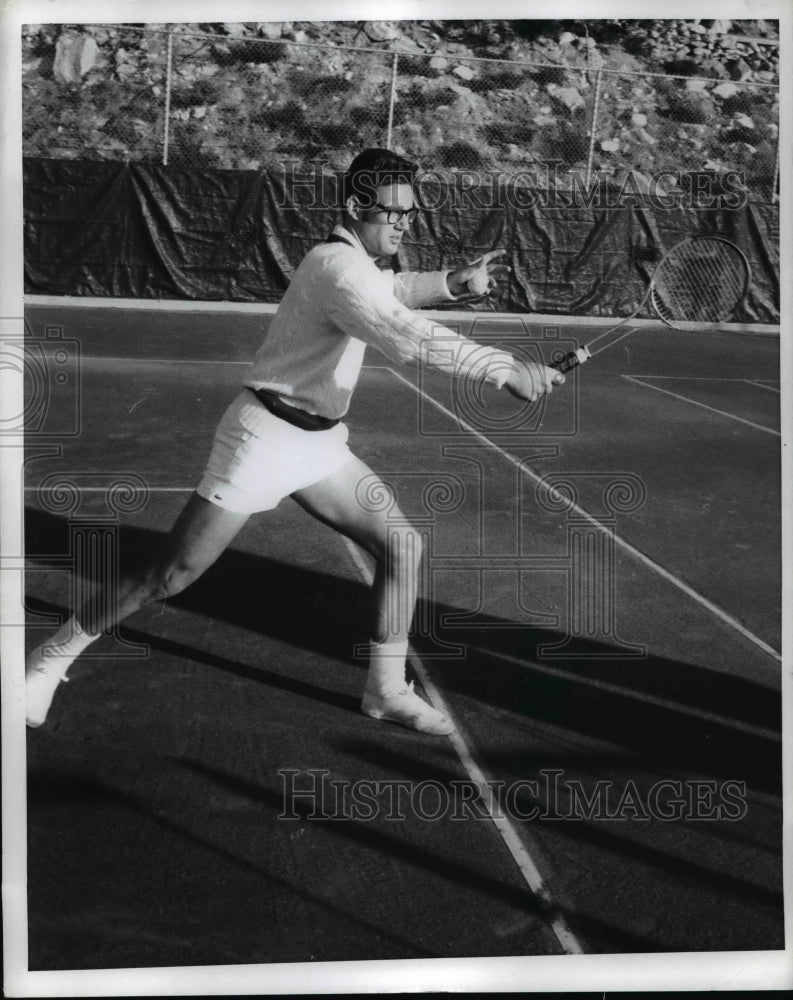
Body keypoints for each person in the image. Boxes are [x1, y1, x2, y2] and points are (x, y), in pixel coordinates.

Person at [25, 148, 563, 736]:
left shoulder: (357, 263)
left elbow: (391, 291)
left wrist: (450, 283)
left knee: (403, 547)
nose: (404, 224)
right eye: (394, 213)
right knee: (169, 575)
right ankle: (48, 663)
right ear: (358, 206)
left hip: (320, 446)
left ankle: (384, 690)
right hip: (264, 439)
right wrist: (502, 367)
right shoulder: (336, 266)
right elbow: (399, 331)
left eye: (411, 214)